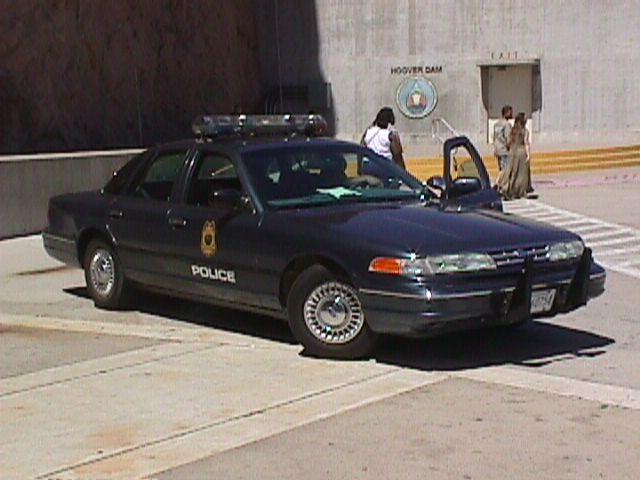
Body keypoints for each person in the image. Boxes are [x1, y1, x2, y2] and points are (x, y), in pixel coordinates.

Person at [498, 112, 531, 200]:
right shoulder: (525, 131)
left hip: (512, 152)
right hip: (521, 152)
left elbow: (508, 142)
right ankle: (519, 191)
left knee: (511, 171)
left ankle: (507, 189)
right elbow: (526, 143)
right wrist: (528, 155)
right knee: (522, 174)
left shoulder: (513, 130)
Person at [493, 105, 513, 182]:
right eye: (510, 112)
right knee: (505, 170)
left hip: (498, 149)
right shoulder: (507, 125)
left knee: (501, 169)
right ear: (507, 113)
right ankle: (498, 184)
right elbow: (508, 139)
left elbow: (495, 137)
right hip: (504, 150)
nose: (512, 114)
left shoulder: (496, 124)